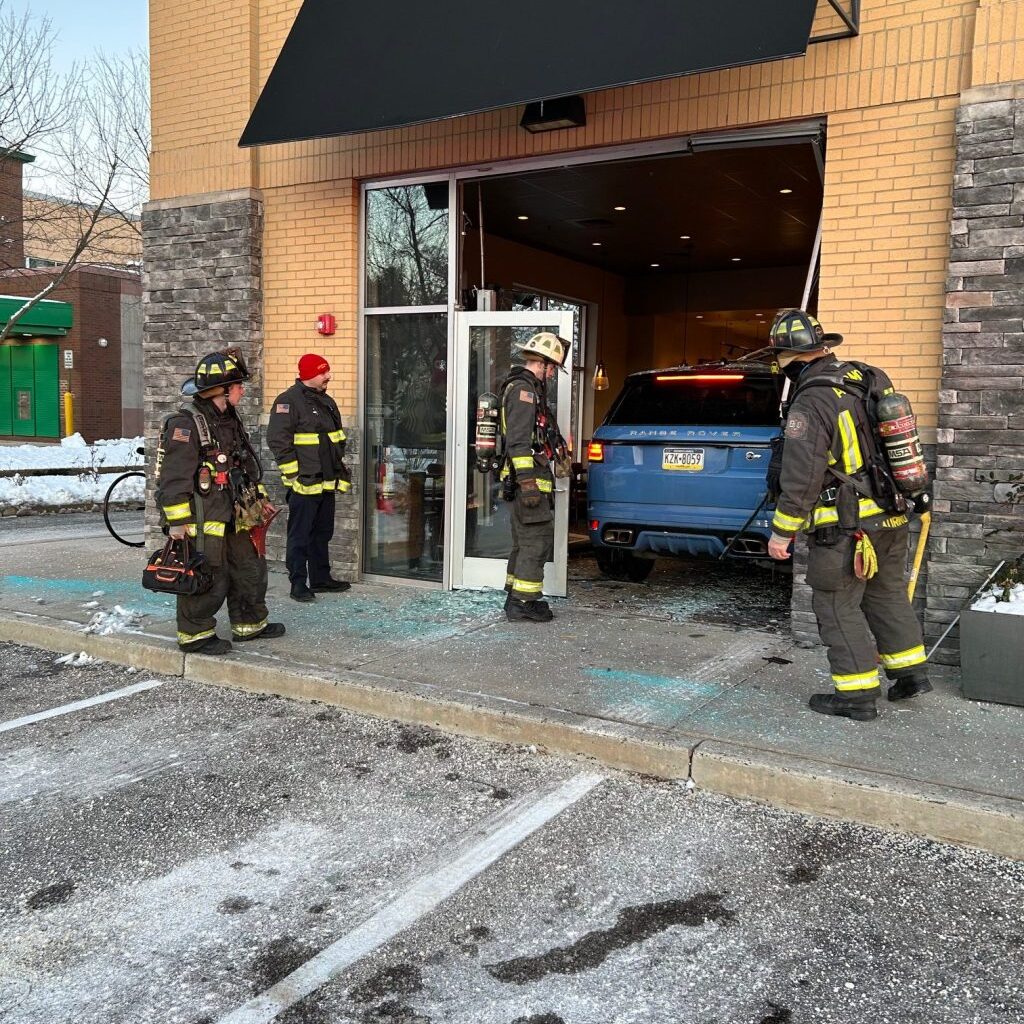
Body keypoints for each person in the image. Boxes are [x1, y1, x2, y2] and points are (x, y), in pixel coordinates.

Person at [765, 309, 931, 721]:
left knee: (837, 604)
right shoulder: (868, 378)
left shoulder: (812, 399)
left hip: (846, 526)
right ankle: (909, 673)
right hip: (891, 514)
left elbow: (802, 475)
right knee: (887, 594)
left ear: (788, 359)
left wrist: (782, 532)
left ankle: (855, 695)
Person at [156, 349, 285, 654]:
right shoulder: (185, 425)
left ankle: (250, 623)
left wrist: (259, 499)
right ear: (221, 391)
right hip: (205, 517)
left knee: (249, 568)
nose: (242, 390)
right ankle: (195, 634)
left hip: (238, 512)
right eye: (238, 385)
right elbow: (172, 478)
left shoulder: (228, 420)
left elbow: (243, 466)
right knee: (207, 574)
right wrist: (177, 522)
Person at [267, 353, 352, 602]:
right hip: (304, 483)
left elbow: (335, 439)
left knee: (322, 532)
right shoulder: (288, 402)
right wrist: (294, 474)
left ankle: (321, 578)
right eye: (323, 372)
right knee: (300, 535)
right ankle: (297, 584)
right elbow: (278, 441)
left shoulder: (326, 401)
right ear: (308, 375)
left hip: (325, 481)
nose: (328, 376)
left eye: (327, 370)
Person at [500, 332, 570, 623]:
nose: (552, 373)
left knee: (525, 541)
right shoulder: (523, 392)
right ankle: (523, 603)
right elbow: (517, 442)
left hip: (530, 481)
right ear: (541, 363)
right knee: (535, 542)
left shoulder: (528, 390)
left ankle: (514, 597)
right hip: (529, 483)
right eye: (551, 366)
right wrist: (528, 484)